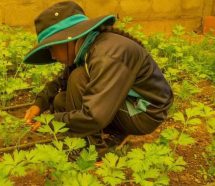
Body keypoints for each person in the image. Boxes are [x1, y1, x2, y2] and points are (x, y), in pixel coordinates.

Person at [23, 1, 173, 151]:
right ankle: (115, 132)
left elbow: (94, 115)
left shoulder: (107, 55)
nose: (53, 56)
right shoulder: (88, 47)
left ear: (67, 39)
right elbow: (61, 81)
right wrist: (39, 104)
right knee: (61, 101)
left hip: (145, 113)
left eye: (51, 48)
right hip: (126, 103)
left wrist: (50, 120)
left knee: (78, 78)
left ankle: (93, 151)